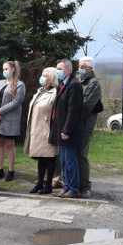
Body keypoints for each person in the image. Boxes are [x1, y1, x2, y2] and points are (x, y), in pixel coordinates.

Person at [49, 58, 84, 198]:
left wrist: (66, 130)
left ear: (68, 70)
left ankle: (74, 189)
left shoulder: (74, 85)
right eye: (56, 69)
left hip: (69, 132)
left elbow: (73, 111)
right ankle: (67, 186)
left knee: (70, 162)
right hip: (60, 129)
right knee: (63, 162)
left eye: (60, 69)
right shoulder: (62, 84)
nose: (57, 71)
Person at [0, 60, 26, 182]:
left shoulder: (20, 84)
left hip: (9, 120)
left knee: (9, 145)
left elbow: (16, 102)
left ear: (13, 69)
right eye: (3, 69)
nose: (4, 71)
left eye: (6, 69)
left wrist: (0, 111)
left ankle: (11, 170)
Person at [23, 67, 59, 194]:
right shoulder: (40, 91)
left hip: (47, 129)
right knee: (40, 158)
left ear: (52, 78)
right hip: (36, 128)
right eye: (42, 75)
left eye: (46, 76)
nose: (42, 78)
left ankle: (48, 184)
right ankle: (39, 182)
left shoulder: (55, 92)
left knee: (49, 158)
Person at [77, 56, 102, 198]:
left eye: (83, 67)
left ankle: (85, 186)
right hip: (75, 122)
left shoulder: (94, 84)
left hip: (86, 123)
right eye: (79, 66)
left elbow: (86, 106)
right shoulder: (78, 81)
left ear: (90, 68)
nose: (80, 69)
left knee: (81, 153)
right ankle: (74, 183)